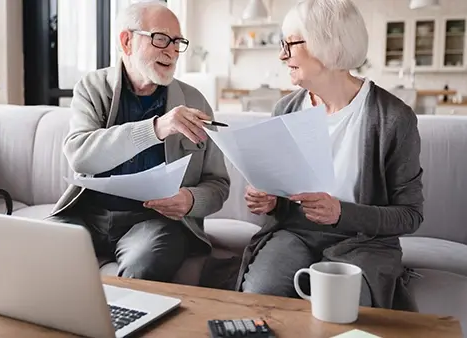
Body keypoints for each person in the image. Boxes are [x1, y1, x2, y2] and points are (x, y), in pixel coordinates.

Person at [234, 0, 424, 311]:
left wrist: (341, 213)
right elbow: (280, 197)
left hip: (364, 242)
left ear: (328, 43)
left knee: (340, 310)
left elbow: (410, 215)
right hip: (295, 234)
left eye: (290, 44)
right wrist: (269, 201)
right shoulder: (286, 110)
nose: (282, 55)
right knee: (259, 296)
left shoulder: (393, 118)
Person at [47, 1, 230, 283]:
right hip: (87, 215)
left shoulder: (195, 102)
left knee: (146, 261)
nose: (171, 50)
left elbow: (218, 184)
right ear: (127, 40)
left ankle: (122, 324)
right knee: (37, 247)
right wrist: (156, 128)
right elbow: (80, 156)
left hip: (153, 224)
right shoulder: (92, 88)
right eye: (160, 39)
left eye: (177, 41)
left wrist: (190, 200)